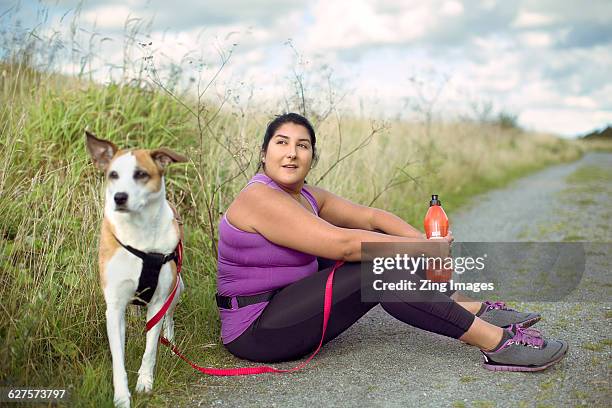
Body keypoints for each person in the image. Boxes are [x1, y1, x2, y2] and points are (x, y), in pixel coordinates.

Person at [216, 113, 568, 371]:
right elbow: (344, 246)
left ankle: (471, 306)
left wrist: (429, 248)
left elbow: (372, 218)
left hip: (290, 307)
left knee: (387, 243)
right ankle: (498, 344)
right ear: (263, 154)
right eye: (281, 143)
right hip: (257, 330)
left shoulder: (306, 195)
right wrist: (425, 251)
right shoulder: (258, 198)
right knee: (377, 269)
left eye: (302, 145)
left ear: (311, 158)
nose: (291, 153)